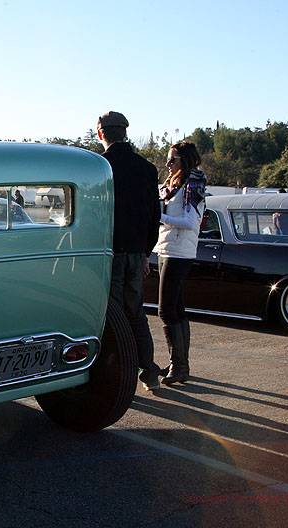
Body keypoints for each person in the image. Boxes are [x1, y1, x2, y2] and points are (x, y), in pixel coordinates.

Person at [97, 111, 162, 391]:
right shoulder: (147, 169)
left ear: (101, 134)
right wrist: (146, 252)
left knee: (109, 314)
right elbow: (153, 215)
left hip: (107, 253)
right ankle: (149, 371)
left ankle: (112, 372)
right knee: (135, 313)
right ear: (126, 132)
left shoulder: (100, 167)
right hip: (137, 252)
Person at [155, 141, 207, 385]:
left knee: (166, 309)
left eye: (173, 159)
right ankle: (179, 363)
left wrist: (161, 217)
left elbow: (190, 221)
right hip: (168, 248)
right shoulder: (173, 185)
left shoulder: (192, 185)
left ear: (185, 161)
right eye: (168, 159)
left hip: (180, 252)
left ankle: (179, 365)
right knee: (176, 308)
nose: (168, 163)